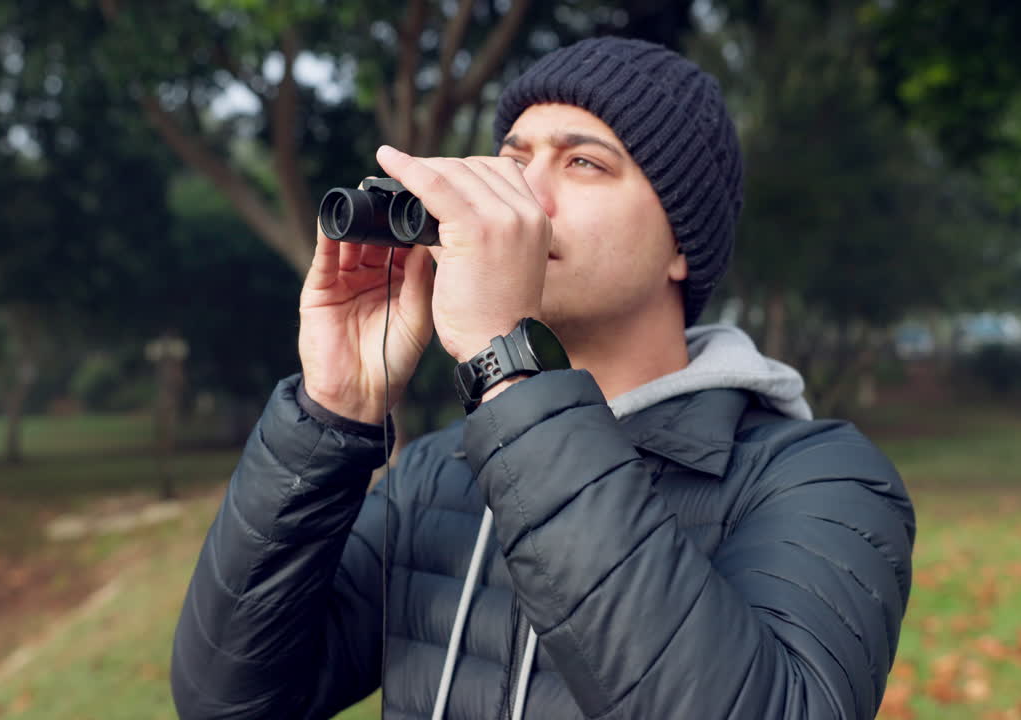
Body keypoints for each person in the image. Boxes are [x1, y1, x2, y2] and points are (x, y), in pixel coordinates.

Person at [171, 36, 915, 720]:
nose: (524, 196)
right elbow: (228, 703)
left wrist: (508, 363)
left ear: (681, 248)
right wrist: (335, 408)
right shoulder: (438, 473)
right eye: (514, 158)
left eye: (584, 162)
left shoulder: (820, 479)